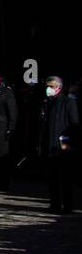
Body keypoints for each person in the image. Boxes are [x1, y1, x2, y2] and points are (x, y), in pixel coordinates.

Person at [40, 76, 78, 214]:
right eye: (47, 86)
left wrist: (69, 143)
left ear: (59, 87)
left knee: (66, 177)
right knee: (52, 177)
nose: (48, 89)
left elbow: (74, 124)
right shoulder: (48, 102)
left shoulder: (68, 102)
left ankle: (67, 205)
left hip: (63, 145)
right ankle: (54, 203)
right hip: (50, 144)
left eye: (51, 86)